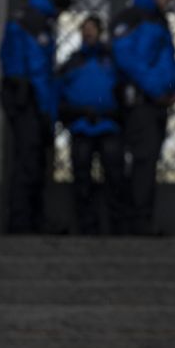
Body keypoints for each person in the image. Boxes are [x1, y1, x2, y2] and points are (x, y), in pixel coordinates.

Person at [110, 0, 175, 235]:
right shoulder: (132, 19)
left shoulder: (158, 20)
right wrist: (157, 90)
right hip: (142, 103)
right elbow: (129, 60)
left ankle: (142, 218)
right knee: (142, 161)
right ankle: (136, 222)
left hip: (156, 103)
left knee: (148, 161)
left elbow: (168, 59)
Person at [0, 0, 72, 234]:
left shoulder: (22, 16)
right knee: (30, 163)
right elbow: (39, 71)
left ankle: (24, 220)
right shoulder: (38, 24)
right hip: (28, 100)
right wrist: (45, 113)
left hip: (15, 95)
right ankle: (24, 223)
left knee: (25, 160)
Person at [57, 15, 128, 235]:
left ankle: (116, 227)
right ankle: (86, 227)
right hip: (81, 126)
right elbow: (60, 92)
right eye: (84, 29)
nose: (87, 32)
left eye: (91, 28)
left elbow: (124, 91)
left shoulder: (113, 60)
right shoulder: (73, 62)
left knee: (115, 178)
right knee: (82, 179)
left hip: (109, 125)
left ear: (100, 31)